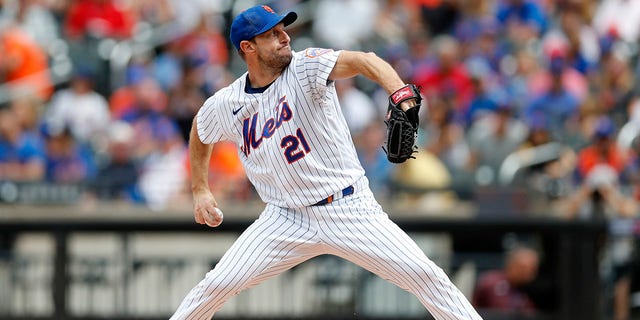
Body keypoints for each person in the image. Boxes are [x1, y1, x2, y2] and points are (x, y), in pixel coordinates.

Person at [170, 5, 481, 320]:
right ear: (248, 47)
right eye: (272, 34)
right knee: (215, 285)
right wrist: (200, 189)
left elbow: (365, 60)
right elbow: (201, 128)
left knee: (426, 275)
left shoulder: (306, 67)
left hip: (348, 207)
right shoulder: (227, 102)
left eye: (283, 30)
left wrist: (401, 94)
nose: (284, 37)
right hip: (284, 218)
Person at [472, 246, 540, 316]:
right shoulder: (492, 282)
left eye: (532, 269)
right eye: (524, 268)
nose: (528, 273)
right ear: (512, 264)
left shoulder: (528, 291)